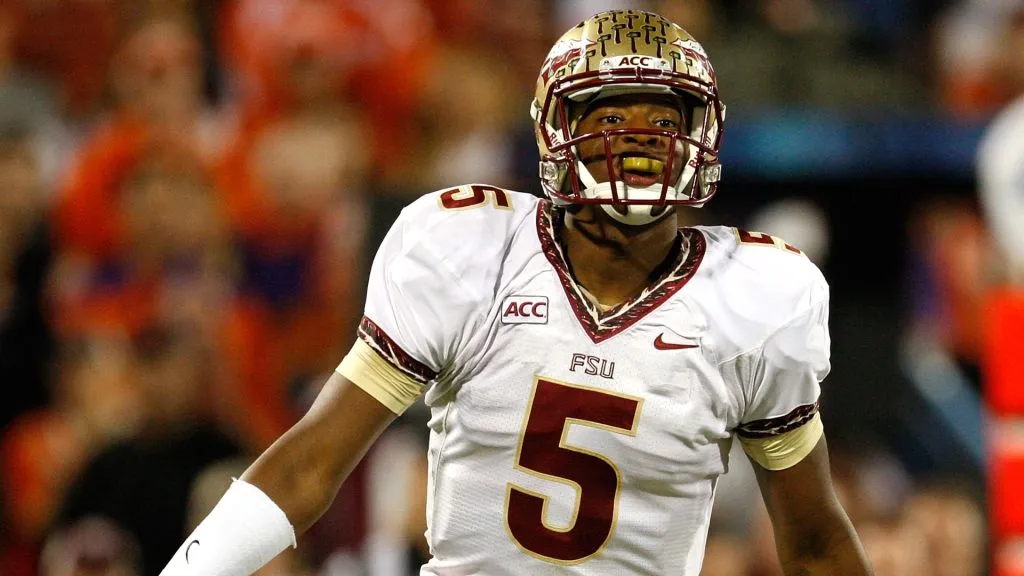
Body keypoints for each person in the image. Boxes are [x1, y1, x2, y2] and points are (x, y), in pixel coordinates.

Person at [161, 9, 871, 575]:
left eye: (663, 119)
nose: (639, 139)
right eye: (610, 117)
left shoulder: (756, 294)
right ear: (558, 128)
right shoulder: (473, 248)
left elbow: (814, 542)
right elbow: (312, 464)